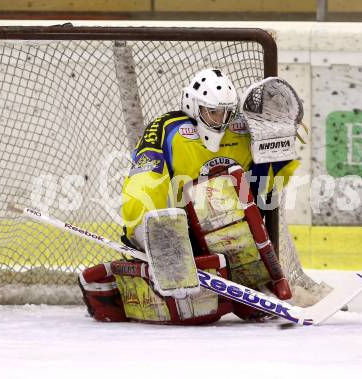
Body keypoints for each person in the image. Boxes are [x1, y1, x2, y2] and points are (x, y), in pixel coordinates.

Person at [78, 68, 299, 324]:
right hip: (179, 236)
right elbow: (145, 181)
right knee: (194, 311)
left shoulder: (240, 130)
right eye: (213, 112)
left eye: (226, 112)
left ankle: (248, 282)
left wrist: (279, 151)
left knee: (229, 198)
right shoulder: (167, 129)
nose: (221, 119)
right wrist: (147, 231)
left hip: (231, 235)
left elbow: (261, 191)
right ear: (193, 106)